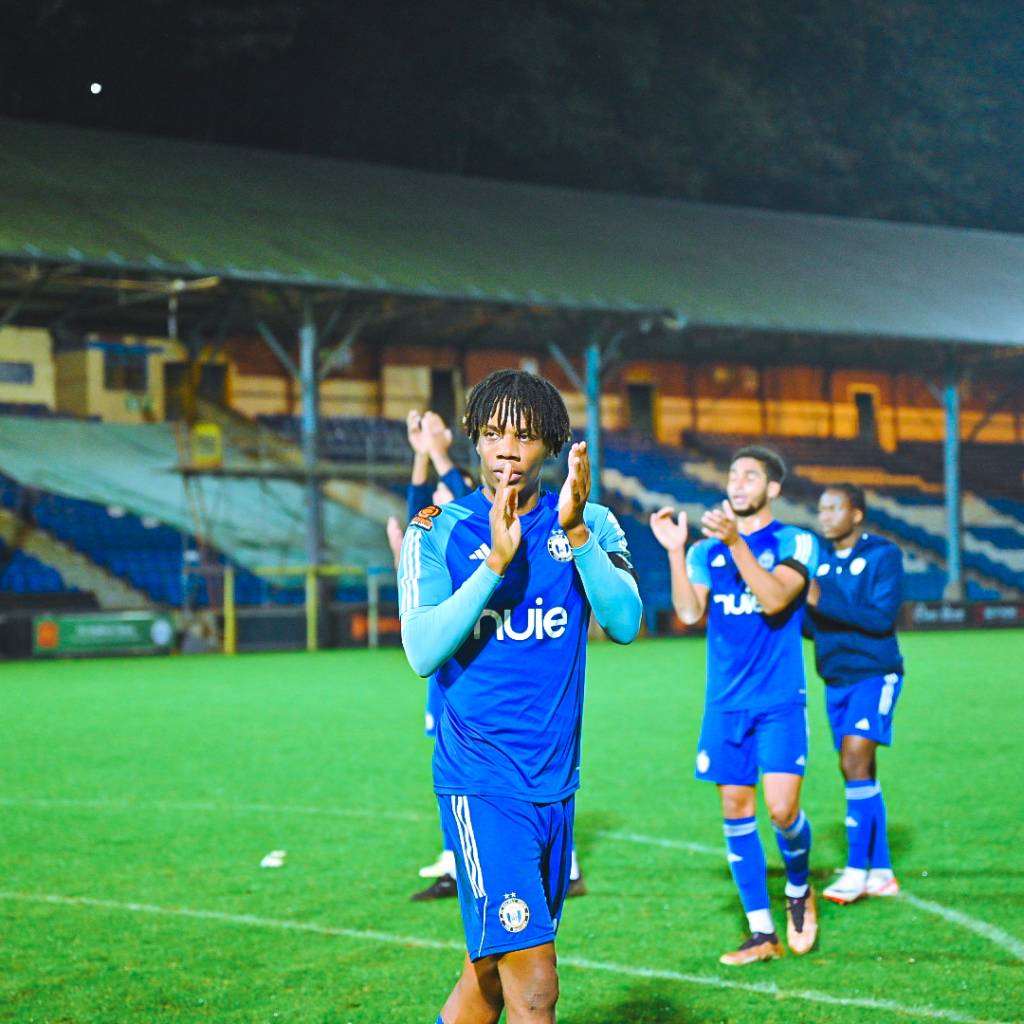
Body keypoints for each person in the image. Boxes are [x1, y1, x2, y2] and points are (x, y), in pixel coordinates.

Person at [398, 369, 642, 1024]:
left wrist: (579, 534)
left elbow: (624, 623)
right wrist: (494, 565)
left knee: (487, 975)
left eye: (526, 436)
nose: (508, 449)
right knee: (535, 988)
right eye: (495, 433)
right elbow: (421, 651)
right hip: (481, 783)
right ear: (475, 438)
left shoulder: (589, 522)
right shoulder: (436, 530)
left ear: (552, 446)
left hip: (556, 785)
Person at [649, 445, 820, 966]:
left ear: (773, 489)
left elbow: (775, 598)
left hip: (779, 699)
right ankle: (761, 932)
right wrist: (676, 551)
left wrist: (736, 543)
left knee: (782, 809)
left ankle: (798, 887)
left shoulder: (796, 541)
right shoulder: (705, 551)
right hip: (725, 703)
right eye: (733, 474)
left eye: (750, 475)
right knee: (736, 809)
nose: (738, 482)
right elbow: (687, 612)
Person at [387, 409, 474, 901]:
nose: (437, 502)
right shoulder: (436, 528)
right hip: (443, 663)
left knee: (470, 766)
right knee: (449, 764)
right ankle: (454, 859)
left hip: (472, 662)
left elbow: (455, 494)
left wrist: (437, 449)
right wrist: (421, 452)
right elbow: (418, 505)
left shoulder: (471, 522)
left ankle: (466, 863)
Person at [805, 483, 904, 904]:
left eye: (834, 508)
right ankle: (881, 871)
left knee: (854, 760)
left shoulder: (883, 555)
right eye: (821, 509)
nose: (825, 516)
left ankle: (856, 871)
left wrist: (818, 599)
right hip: (836, 678)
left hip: (875, 675)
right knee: (859, 772)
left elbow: (880, 618)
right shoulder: (819, 559)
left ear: (856, 514)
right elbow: (813, 626)